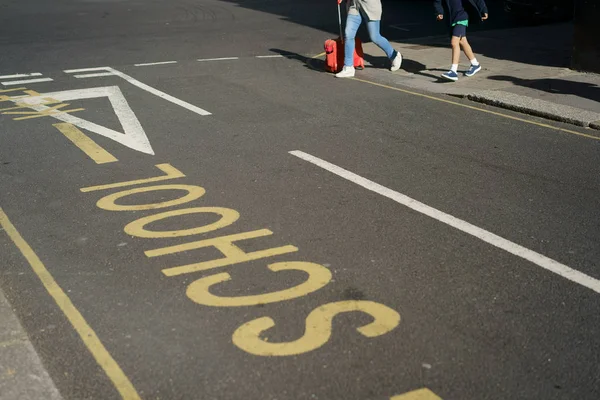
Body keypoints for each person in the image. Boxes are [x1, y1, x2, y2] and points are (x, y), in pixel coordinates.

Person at [335, 0, 403, 78]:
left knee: (375, 37)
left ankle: (394, 55)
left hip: (370, 5)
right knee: (348, 34)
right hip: (355, 5)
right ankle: (348, 67)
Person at [434, 0, 489, 82]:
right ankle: (475, 64)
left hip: (462, 16)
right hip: (451, 18)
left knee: (454, 42)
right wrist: (439, 12)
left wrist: (483, 9)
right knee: (462, 41)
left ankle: (453, 71)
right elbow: (437, 1)